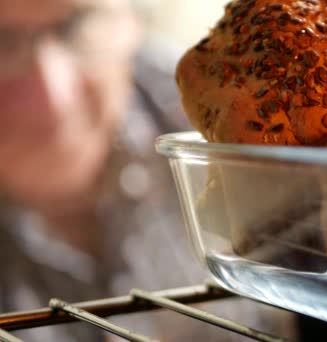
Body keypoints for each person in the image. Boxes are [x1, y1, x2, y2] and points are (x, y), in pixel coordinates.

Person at [0, 0, 295, 340]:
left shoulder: (234, 112)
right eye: (1, 42)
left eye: (76, 26)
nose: (54, 98)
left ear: (132, 23)